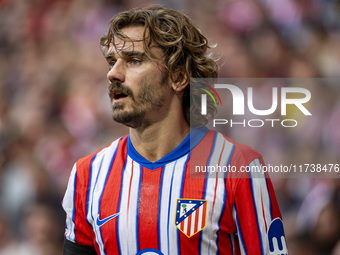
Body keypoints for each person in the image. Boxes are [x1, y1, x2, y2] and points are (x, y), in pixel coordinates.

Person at [62, 6, 288, 255]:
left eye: (134, 60)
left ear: (179, 77)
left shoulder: (239, 167)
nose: (113, 73)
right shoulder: (88, 175)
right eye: (112, 61)